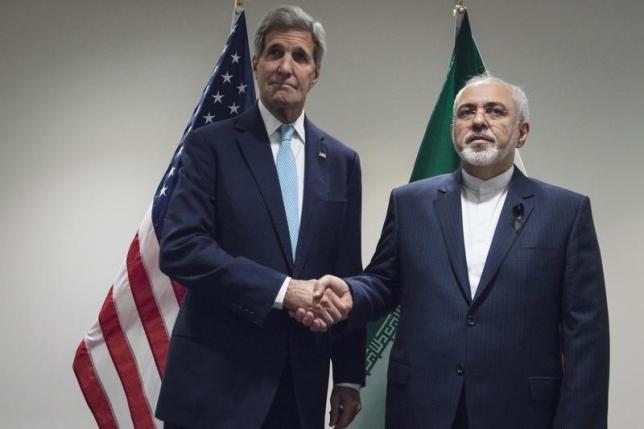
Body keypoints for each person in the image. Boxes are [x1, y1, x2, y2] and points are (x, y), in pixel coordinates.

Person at [299, 75, 610, 428]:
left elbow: (586, 337)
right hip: (423, 407)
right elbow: (385, 281)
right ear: (453, 131)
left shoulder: (565, 212)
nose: (479, 120)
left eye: (495, 111)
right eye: (466, 112)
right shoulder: (410, 202)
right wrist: (351, 292)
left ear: (522, 132)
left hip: (522, 413)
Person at [155, 6, 365, 429]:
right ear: (256, 65)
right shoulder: (209, 146)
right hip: (215, 383)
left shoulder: (342, 161)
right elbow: (181, 249)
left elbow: (345, 271)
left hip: (299, 386)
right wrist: (284, 291)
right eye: (274, 53)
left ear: (315, 74)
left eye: (300, 57)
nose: (286, 67)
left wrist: (347, 377)